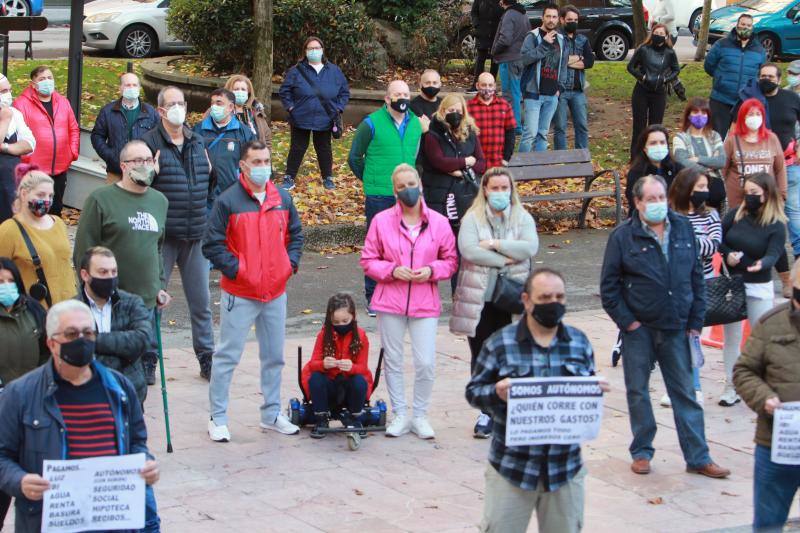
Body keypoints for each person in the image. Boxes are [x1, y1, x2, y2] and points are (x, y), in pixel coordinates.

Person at [601, 174, 730, 479]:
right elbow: (609, 288)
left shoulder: (683, 227)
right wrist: (629, 323)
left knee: (685, 392)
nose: (658, 204)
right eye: (651, 199)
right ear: (637, 202)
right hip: (639, 328)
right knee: (638, 392)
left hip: (678, 325)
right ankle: (642, 451)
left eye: (661, 198)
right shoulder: (622, 236)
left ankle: (698, 456)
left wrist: (696, 321)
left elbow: (696, 275)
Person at [466, 267, 610, 532]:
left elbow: (583, 392)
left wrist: (593, 390)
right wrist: (496, 392)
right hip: (512, 468)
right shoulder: (500, 344)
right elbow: (474, 392)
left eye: (559, 298)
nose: (553, 304)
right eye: (545, 298)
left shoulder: (579, 343)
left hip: (564, 470)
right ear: (526, 300)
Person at [0, 300, 161, 533]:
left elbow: (137, 442)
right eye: (72, 333)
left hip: (112, 522)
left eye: (88, 332)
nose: (82, 340)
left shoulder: (120, 389)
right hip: (49, 521)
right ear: (52, 343)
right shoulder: (20, 394)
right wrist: (20, 481)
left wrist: (145, 463)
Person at [203, 140, 303, 442]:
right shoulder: (227, 201)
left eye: (266, 161)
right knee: (227, 356)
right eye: (256, 162)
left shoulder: (282, 199)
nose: (263, 167)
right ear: (243, 166)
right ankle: (217, 417)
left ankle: (271, 414)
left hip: (275, 291)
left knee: (274, 356)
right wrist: (239, 270)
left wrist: (289, 265)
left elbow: (296, 236)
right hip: (240, 292)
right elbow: (212, 244)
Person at [360, 164, 457, 439]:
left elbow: (450, 260)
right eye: (401, 186)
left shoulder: (438, 222)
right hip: (390, 300)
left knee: (425, 362)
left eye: (411, 183)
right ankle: (400, 413)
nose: (407, 190)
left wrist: (431, 271)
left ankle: (420, 414)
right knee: (392, 359)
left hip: (425, 300)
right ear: (394, 190)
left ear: (421, 184)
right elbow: (368, 260)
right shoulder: (381, 221)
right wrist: (391, 270)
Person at [450, 167, 538, 438]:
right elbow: (469, 250)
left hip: (511, 297)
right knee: (482, 355)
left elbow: (529, 248)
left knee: (512, 354)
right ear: (485, 190)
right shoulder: (472, 218)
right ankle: (486, 410)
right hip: (479, 298)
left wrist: (494, 244)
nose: (500, 193)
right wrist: (503, 259)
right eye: (495, 188)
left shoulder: (522, 217)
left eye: (504, 188)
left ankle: (510, 409)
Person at [142, 86, 215, 381]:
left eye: (181, 103)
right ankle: (148, 359)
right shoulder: (148, 143)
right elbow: (139, 186)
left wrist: (211, 176)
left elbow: (209, 182)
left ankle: (207, 356)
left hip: (195, 232)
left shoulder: (197, 141)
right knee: (153, 300)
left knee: (201, 302)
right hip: (163, 236)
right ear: (160, 111)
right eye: (171, 104)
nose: (177, 108)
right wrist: (151, 173)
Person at [733, 258, 800, 531]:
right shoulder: (771, 324)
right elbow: (744, 371)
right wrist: (764, 399)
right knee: (769, 524)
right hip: (777, 444)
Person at [348, 80, 424, 315]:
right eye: (396, 94)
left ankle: (402, 294)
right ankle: (374, 297)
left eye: (405, 94)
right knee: (378, 247)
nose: (401, 98)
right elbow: (354, 157)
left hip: (407, 194)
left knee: (409, 245)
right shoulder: (370, 124)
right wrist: (371, 180)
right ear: (386, 98)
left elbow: (416, 154)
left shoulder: (415, 124)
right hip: (379, 194)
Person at [718, 172, 787, 407]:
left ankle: (763, 387)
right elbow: (720, 239)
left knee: (761, 338)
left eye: (754, 194)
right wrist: (728, 256)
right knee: (732, 338)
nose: (749, 198)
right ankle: (731, 385)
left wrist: (762, 264)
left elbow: (775, 253)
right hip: (733, 285)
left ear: (767, 195)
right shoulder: (735, 216)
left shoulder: (775, 225)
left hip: (758, 285)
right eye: (746, 193)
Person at [660, 168, 721, 408]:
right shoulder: (670, 215)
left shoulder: (711, 216)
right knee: (675, 338)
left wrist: (686, 244)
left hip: (702, 284)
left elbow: (713, 246)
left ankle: (693, 387)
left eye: (706, 187)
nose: (704, 192)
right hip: (674, 285)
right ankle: (678, 386)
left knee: (691, 336)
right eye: (699, 188)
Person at [734, 63, 800, 261]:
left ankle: (798, 257)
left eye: (771, 77)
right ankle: (755, 254)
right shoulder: (749, 101)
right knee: (757, 211)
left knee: (793, 211)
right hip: (759, 166)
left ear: (779, 80)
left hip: (788, 165)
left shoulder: (791, 99)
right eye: (763, 76)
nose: (766, 80)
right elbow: (734, 130)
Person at [0, 257, 46, 527]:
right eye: (0, 282)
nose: (6, 286)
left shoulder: (33, 312)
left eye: (10, 281)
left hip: (31, 408)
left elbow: (46, 352)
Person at [76, 246, 152, 405]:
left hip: (129, 394)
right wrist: (120, 348)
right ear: (85, 275)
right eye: (103, 272)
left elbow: (142, 340)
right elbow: (73, 347)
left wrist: (93, 340)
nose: (110, 277)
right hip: (86, 395)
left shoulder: (132, 303)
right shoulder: (72, 308)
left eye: (114, 272)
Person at [279, 36, 350, 191]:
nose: (314, 51)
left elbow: (344, 92)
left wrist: (338, 109)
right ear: (305, 51)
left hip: (325, 117)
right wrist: (291, 108)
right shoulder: (296, 71)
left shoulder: (334, 71)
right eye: (310, 48)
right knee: (297, 147)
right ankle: (289, 177)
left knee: (324, 147)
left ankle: (328, 177)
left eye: (317, 48)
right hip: (300, 117)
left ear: (322, 50)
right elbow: (284, 91)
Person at [300, 292, 374, 438]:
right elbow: (313, 364)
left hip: (349, 385)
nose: (341, 325)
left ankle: (354, 416)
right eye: (336, 322)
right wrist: (324, 364)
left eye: (345, 321)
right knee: (316, 378)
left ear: (353, 316)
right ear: (330, 320)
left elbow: (363, 368)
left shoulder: (360, 336)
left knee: (359, 381)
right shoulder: (323, 335)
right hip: (330, 385)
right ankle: (321, 417)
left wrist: (352, 367)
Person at [0, 166, 75, 307]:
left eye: (50, 196)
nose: (47, 200)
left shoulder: (58, 223)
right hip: (34, 314)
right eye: (41, 195)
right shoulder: (9, 229)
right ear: (23, 194)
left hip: (67, 310)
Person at [13, 66, 79, 216]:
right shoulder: (21, 104)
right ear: (33, 84)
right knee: (35, 212)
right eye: (42, 79)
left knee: (55, 209)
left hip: (60, 167)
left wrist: (72, 152)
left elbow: (73, 129)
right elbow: (17, 137)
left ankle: (52, 237)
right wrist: (26, 160)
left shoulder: (63, 102)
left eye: (50, 78)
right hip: (35, 170)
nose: (47, 82)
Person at [421, 93, 486, 226]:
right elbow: (438, 161)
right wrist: (466, 161)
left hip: (465, 192)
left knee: (463, 232)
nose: (455, 114)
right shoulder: (432, 133)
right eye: (451, 110)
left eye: (458, 111)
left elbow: (481, 163)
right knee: (439, 232)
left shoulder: (470, 133)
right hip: (438, 191)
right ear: (443, 111)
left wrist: (461, 172)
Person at [704, 13, 765, 138]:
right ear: (737, 25)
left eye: (749, 25)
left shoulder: (759, 50)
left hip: (745, 101)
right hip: (721, 99)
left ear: (752, 28)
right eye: (743, 24)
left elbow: (761, 72)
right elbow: (709, 65)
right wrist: (720, 78)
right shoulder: (721, 44)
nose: (745, 28)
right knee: (716, 138)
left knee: (741, 139)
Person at [90, 72, 158, 183]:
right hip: (116, 172)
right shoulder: (108, 111)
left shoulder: (151, 112)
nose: (131, 88)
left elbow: (158, 138)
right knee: (113, 200)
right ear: (120, 88)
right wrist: (110, 156)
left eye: (134, 85)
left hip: (143, 171)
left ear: (139, 88)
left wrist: (149, 160)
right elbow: (97, 136)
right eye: (127, 85)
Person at [194, 88, 255, 205]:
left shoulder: (244, 133)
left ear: (231, 107)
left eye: (219, 103)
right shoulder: (198, 130)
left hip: (232, 196)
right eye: (212, 103)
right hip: (203, 196)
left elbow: (251, 164)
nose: (214, 106)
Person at [627, 24, 680, 158]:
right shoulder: (643, 49)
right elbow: (630, 67)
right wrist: (643, 77)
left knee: (656, 126)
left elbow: (676, 69)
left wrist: (664, 79)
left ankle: (653, 156)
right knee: (639, 126)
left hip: (659, 92)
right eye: (656, 32)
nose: (658, 35)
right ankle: (635, 157)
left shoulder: (669, 52)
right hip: (642, 91)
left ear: (666, 36)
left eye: (662, 33)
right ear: (652, 34)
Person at [723, 98, 786, 209]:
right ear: (743, 117)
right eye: (751, 114)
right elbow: (722, 169)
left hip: (766, 198)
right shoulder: (732, 140)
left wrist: (782, 195)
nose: (755, 117)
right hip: (738, 199)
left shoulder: (772, 138)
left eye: (758, 114)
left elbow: (780, 169)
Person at [518, 2, 563, 153]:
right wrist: (543, 45)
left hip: (552, 95)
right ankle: (522, 170)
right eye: (548, 16)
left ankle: (540, 171)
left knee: (543, 134)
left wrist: (559, 88)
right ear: (542, 17)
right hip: (533, 94)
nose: (551, 20)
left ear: (558, 19)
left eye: (554, 17)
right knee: (529, 134)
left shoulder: (561, 39)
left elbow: (562, 66)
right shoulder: (532, 36)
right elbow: (524, 59)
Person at [672, 97, 727, 211]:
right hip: (690, 189)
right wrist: (709, 167)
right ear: (688, 115)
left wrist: (697, 159)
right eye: (695, 112)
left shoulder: (714, 136)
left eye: (703, 112)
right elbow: (682, 161)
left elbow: (721, 161)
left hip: (715, 193)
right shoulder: (680, 138)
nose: (700, 115)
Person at [552, 4, 594, 151]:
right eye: (570, 19)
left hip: (578, 91)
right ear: (562, 20)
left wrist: (567, 61)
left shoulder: (582, 39)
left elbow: (589, 62)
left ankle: (582, 158)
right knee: (560, 127)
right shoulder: (555, 38)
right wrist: (577, 58)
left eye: (576, 19)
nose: (573, 22)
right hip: (560, 90)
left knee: (582, 126)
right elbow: (555, 61)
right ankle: (561, 160)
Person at [491, 0, 530, 134]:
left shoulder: (509, 15)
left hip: (509, 59)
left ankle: (514, 126)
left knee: (509, 94)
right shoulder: (523, 14)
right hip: (520, 58)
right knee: (517, 93)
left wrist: (494, 50)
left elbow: (505, 39)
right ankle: (516, 124)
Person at [0, 74, 34, 223]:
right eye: (2, 91)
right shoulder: (9, 114)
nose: (8, 95)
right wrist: (5, 119)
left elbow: (30, 143)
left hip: (9, 184)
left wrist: (6, 147)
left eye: (9, 90)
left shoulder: (16, 114)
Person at [626, 124, 683, 209]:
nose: (658, 146)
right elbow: (633, 201)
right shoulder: (636, 173)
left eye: (662, 142)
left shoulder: (677, 169)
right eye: (653, 143)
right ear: (644, 148)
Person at [467, 73, 516, 169]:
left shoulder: (504, 106)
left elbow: (510, 134)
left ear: (494, 86)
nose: (487, 88)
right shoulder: (468, 107)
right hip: (475, 163)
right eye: (483, 85)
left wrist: (506, 159)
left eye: (490, 85)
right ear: (477, 86)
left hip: (498, 162)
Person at [224, 74, 273, 151]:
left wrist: (265, 156)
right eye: (236, 89)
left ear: (248, 92)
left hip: (255, 159)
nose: (240, 92)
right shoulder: (219, 111)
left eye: (243, 89)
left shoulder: (256, 112)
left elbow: (267, 138)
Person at [469, 0, 503, 92]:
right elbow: (474, 12)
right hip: (482, 32)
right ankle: (476, 85)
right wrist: (476, 24)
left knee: (494, 60)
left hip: (496, 33)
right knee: (480, 59)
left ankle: (491, 85)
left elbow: (504, 12)